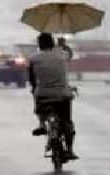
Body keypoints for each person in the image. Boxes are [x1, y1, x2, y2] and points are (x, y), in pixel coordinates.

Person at [28, 32, 78, 160]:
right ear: (52, 43)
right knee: (67, 122)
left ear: (39, 44)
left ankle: (41, 124)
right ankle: (70, 150)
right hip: (62, 95)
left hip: (43, 94)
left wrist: (34, 88)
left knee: (37, 96)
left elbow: (32, 79)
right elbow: (70, 54)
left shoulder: (34, 58)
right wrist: (63, 45)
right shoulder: (62, 55)